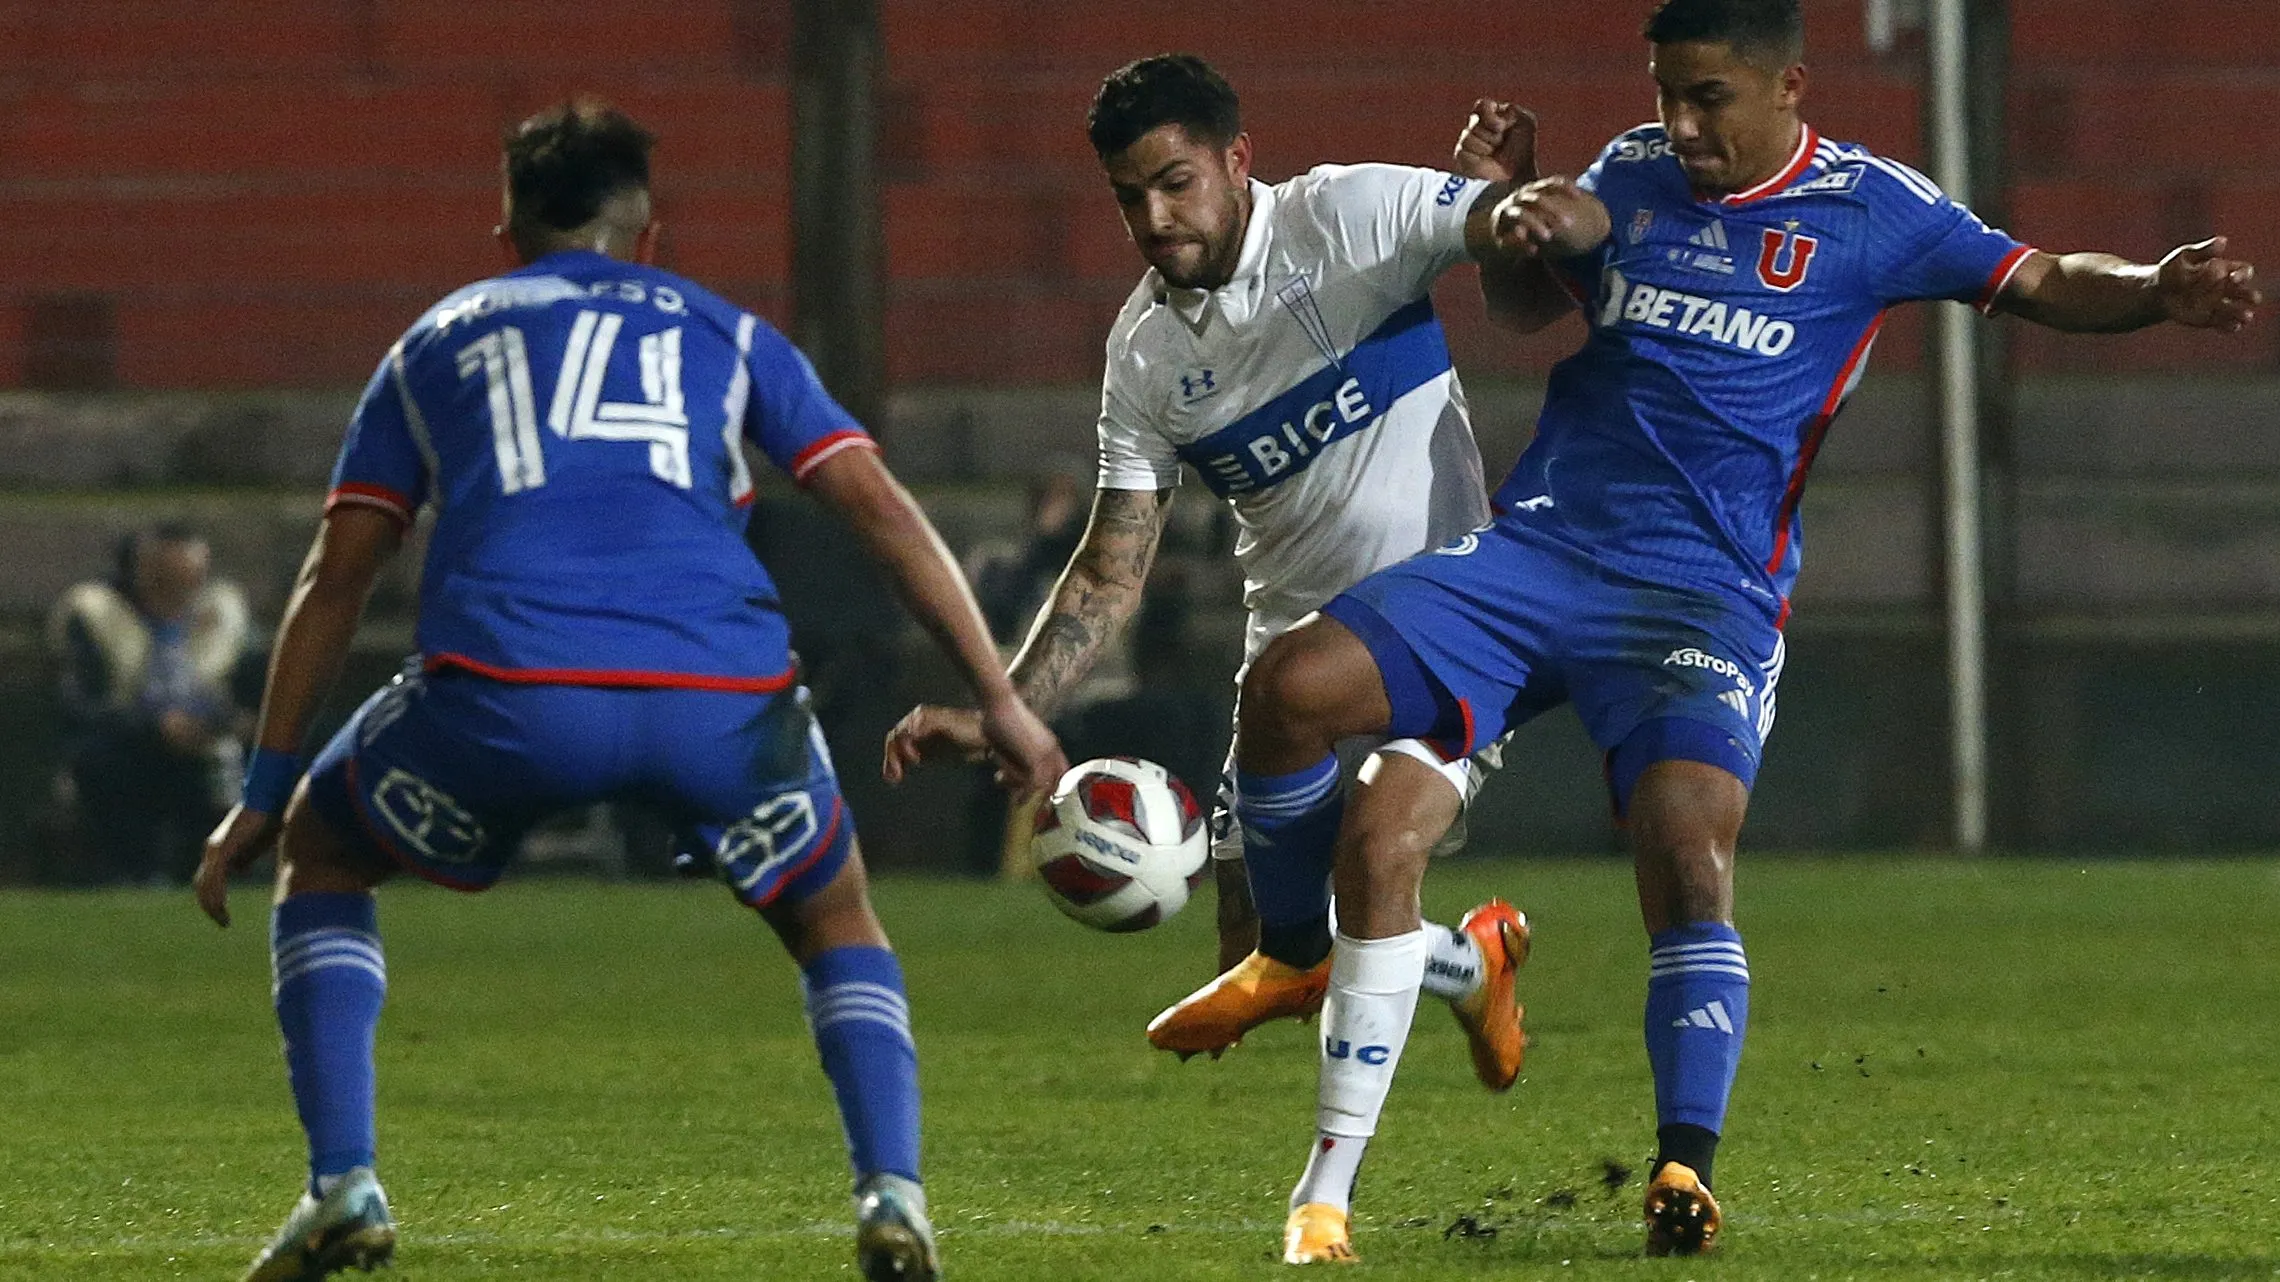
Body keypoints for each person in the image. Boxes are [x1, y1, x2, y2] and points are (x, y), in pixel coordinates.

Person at [1218, 0, 2263, 1261]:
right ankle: (1287, 952)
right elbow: (1524, 307)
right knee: (1291, 688)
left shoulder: (1877, 210)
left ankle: (1682, 1166)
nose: (1680, 122)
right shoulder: (1634, 176)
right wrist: (1509, 215)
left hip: (1702, 594)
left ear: (1789, 89)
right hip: (1541, 556)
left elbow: (2037, 279)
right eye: (1666, 92)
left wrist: (2153, 289)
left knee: (1688, 859)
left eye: (1708, 96)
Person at [191, 100, 1065, 1282]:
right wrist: (1000, 695)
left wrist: (263, 786)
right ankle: (894, 1195)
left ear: (506, 236)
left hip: (505, 700)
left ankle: (343, 1179)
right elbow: (880, 509)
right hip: (720, 701)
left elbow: (336, 573)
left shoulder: (438, 339)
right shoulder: (728, 332)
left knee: (324, 848)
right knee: (832, 912)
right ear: (650, 238)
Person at [881, 53, 1532, 1116]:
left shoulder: (1353, 219)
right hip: (1291, 661)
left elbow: (1515, 235)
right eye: (1128, 195)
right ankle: (1472, 962)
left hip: (1452, 625)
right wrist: (1006, 706)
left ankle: (1329, 1203)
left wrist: (1508, 193)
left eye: (1175, 181)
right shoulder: (1144, 354)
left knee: (1367, 873)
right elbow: (1111, 565)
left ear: (1237, 162)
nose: (1153, 215)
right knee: (1270, 952)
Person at [46, 523, 261, 885]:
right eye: (163, 581)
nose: (177, 596)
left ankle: (239, 872)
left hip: (208, 745)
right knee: (98, 761)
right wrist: (154, 726)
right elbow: (81, 702)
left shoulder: (222, 614)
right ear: (138, 574)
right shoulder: (97, 615)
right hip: (129, 747)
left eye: (188, 581)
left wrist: (227, 721)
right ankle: (133, 873)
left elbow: (255, 685)